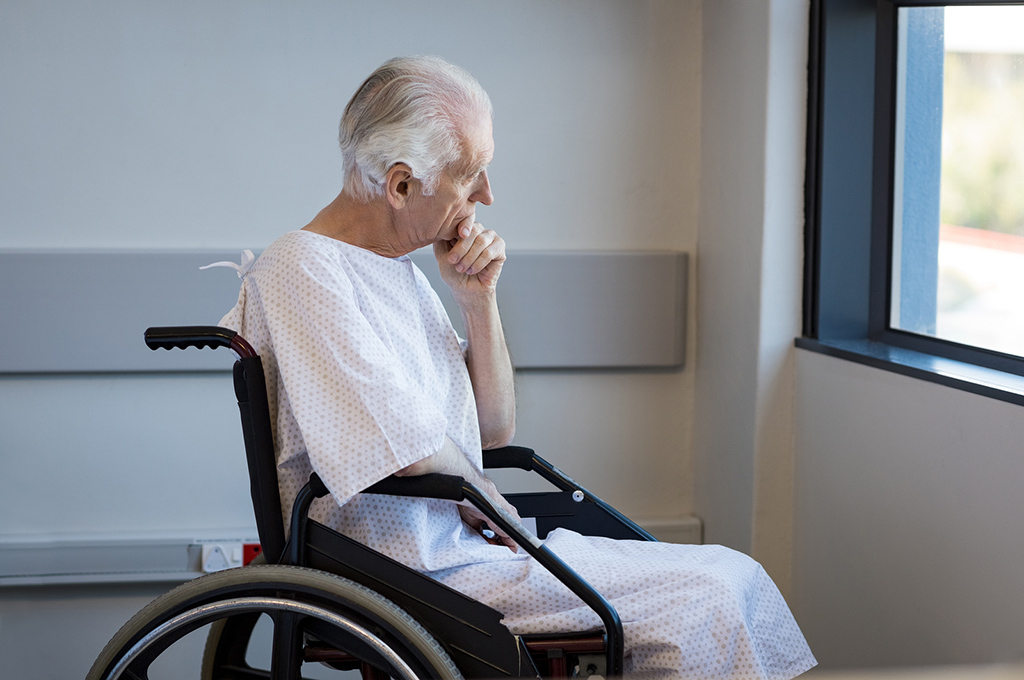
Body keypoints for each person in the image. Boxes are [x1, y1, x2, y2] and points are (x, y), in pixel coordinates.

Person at [219, 55, 815, 679]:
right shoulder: (302, 267)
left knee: (731, 572)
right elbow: (408, 449)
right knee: (704, 601)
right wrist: (481, 493)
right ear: (400, 186)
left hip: (461, 553)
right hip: (406, 568)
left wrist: (478, 298)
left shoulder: (401, 275)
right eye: (470, 174)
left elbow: (492, 430)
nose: (486, 195)